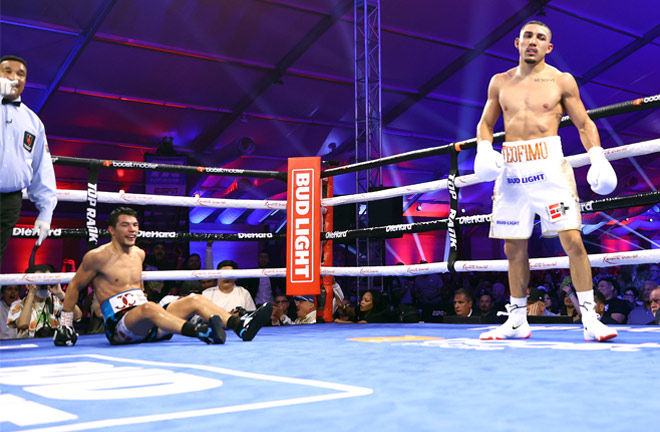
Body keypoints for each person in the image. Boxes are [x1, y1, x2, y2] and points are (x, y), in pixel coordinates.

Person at [474, 21, 618, 342]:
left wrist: (597, 155)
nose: (533, 42)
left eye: (541, 38)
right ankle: (516, 319)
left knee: (573, 240)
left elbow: (583, 122)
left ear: (548, 47)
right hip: (512, 169)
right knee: (513, 247)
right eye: (528, 36)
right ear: (517, 42)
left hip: (548, 165)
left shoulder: (561, 80)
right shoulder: (500, 82)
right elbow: (485, 123)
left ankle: (590, 318)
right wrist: (484, 148)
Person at [53, 207, 272, 346]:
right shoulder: (96, 257)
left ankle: (239, 325)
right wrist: (66, 325)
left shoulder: (139, 253)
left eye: (135, 225)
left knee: (194, 299)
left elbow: (137, 289)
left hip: (151, 323)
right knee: (149, 308)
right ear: (111, 230)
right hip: (121, 328)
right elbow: (74, 287)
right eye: (125, 225)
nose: (132, 229)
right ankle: (201, 332)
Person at [0, 55, 57, 264]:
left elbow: (41, 167)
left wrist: (45, 212)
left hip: (9, 201)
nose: (14, 77)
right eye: (7, 71)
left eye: (20, 74)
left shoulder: (33, 122)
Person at [7, 264, 82, 339]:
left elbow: (78, 316)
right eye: (40, 282)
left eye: (47, 281)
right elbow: (23, 324)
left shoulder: (58, 301)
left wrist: (61, 294)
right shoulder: (18, 305)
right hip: (29, 346)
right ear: (28, 285)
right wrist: (31, 293)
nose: (44, 286)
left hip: (55, 345)